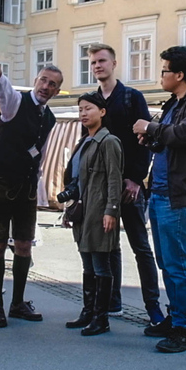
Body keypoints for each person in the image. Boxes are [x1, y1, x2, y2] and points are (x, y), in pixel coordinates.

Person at [133, 46, 186, 353]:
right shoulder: (175, 103)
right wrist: (151, 139)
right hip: (159, 192)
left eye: (164, 70)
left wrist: (151, 127)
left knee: (179, 262)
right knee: (166, 263)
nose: (161, 76)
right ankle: (177, 316)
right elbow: (170, 142)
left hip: (180, 195)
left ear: (179, 75)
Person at [88, 43, 165, 325]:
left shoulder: (132, 97)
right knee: (108, 247)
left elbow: (145, 140)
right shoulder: (93, 100)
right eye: (94, 62)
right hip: (102, 187)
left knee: (140, 247)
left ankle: (153, 307)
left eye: (102, 61)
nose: (97, 66)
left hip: (130, 185)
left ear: (114, 63)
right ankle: (112, 302)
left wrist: (135, 178)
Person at [0, 54, 62, 328]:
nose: (45, 86)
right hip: (1, 182)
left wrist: (38, 179)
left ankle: (17, 302)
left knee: (24, 245)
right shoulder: (16, 102)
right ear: (35, 80)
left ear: (57, 90)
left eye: (52, 84)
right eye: (43, 80)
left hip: (27, 186)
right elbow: (3, 92)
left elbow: (40, 150)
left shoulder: (50, 117)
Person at [63, 93, 123, 336]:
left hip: (99, 211)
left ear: (102, 112)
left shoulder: (108, 142)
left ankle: (101, 318)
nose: (83, 113)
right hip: (83, 211)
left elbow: (114, 179)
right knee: (87, 263)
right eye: (80, 110)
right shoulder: (83, 142)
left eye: (88, 108)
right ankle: (88, 312)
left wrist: (111, 211)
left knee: (100, 264)